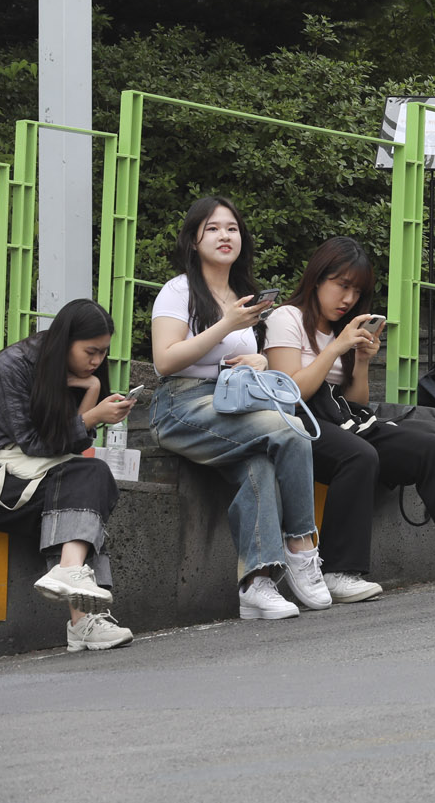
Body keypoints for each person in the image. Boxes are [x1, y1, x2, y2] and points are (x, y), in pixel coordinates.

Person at [265, 237, 435, 593]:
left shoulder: (343, 327)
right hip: (297, 422)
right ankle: (337, 571)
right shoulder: (286, 318)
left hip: (343, 417)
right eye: (341, 285)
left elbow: (357, 401)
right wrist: (336, 348)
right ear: (318, 278)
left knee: (426, 447)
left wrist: (361, 361)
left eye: (356, 290)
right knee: (359, 454)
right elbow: (291, 392)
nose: (348, 298)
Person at [147, 196, 327, 620]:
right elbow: (165, 360)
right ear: (193, 240)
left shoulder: (239, 295)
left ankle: (256, 583)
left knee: (259, 466)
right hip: (179, 406)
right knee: (291, 430)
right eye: (212, 228)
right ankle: (302, 546)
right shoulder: (178, 291)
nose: (225, 236)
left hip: (230, 403)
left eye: (232, 228)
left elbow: (243, 357)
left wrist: (260, 360)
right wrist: (225, 324)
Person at [0, 299, 135, 651]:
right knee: (87, 478)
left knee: (84, 484)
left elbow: (69, 446)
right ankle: (84, 618)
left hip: (33, 476)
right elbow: (31, 442)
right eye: (91, 351)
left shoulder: (82, 373)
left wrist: (89, 391)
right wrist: (93, 416)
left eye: (103, 353)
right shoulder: (10, 367)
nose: (97, 361)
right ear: (65, 341)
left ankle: (77, 597)